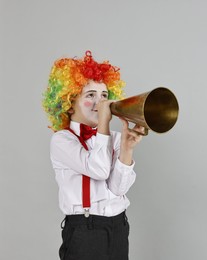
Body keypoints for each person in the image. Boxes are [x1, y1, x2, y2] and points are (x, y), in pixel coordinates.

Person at [42, 51, 143, 260]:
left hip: (118, 227)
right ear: (69, 104)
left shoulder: (114, 138)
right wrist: (104, 124)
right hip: (84, 231)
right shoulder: (62, 140)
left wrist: (127, 149)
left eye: (105, 96)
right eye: (90, 95)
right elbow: (99, 169)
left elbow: (119, 188)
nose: (101, 103)